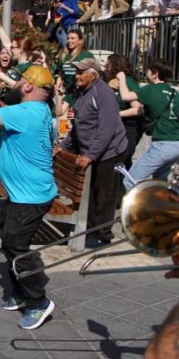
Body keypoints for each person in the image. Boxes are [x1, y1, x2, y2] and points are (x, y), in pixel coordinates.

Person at [0, 66, 58, 329]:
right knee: (7, 232)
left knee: (16, 245)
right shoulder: (39, 109)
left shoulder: (26, 113)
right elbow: (1, 108)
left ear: (28, 87)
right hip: (26, 192)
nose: (15, 83)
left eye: (20, 81)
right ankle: (21, 291)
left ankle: (38, 302)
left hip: (29, 196)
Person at [58, 58, 127, 246]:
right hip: (94, 150)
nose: (77, 76)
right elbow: (79, 126)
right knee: (91, 192)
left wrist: (90, 155)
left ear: (93, 74)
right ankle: (88, 228)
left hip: (110, 152)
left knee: (105, 194)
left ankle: (102, 233)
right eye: (77, 72)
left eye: (81, 72)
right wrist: (64, 146)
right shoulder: (83, 91)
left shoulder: (102, 92)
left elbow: (107, 128)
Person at [117, 58, 179, 185]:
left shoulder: (150, 89)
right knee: (159, 183)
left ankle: (137, 205)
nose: (146, 74)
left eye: (148, 71)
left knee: (130, 180)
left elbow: (125, 96)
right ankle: (160, 205)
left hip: (162, 145)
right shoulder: (175, 93)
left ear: (155, 73)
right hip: (176, 145)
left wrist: (122, 78)